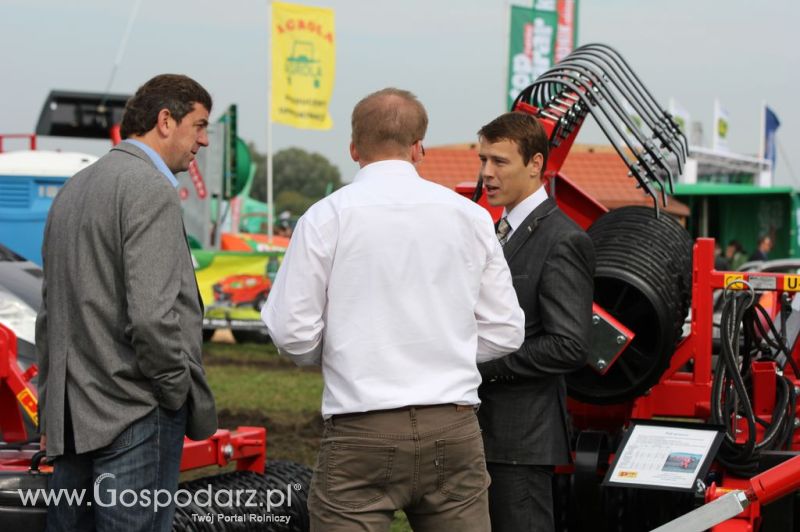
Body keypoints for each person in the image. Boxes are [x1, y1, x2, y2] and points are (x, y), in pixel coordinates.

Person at [262, 88, 525, 532]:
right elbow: (506, 330)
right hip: (453, 425)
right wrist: (445, 346)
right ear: (419, 148)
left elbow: (291, 331)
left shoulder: (326, 217)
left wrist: (346, 350)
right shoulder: (470, 217)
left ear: (353, 149)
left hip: (361, 427)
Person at [36, 74, 218, 532]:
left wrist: (53, 409)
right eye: (198, 125)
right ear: (164, 120)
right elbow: (153, 318)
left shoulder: (73, 189)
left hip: (73, 417)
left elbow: (49, 315)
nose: (204, 140)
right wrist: (174, 391)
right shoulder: (150, 190)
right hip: (136, 412)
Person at [475, 111, 596, 532]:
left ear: (536, 164)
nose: (486, 173)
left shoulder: (563, 239)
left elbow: (568, 344)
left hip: (521, 442)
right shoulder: (495, 231)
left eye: (499, 162)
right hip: (484, 435)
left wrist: (479, 364)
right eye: (483, 160)